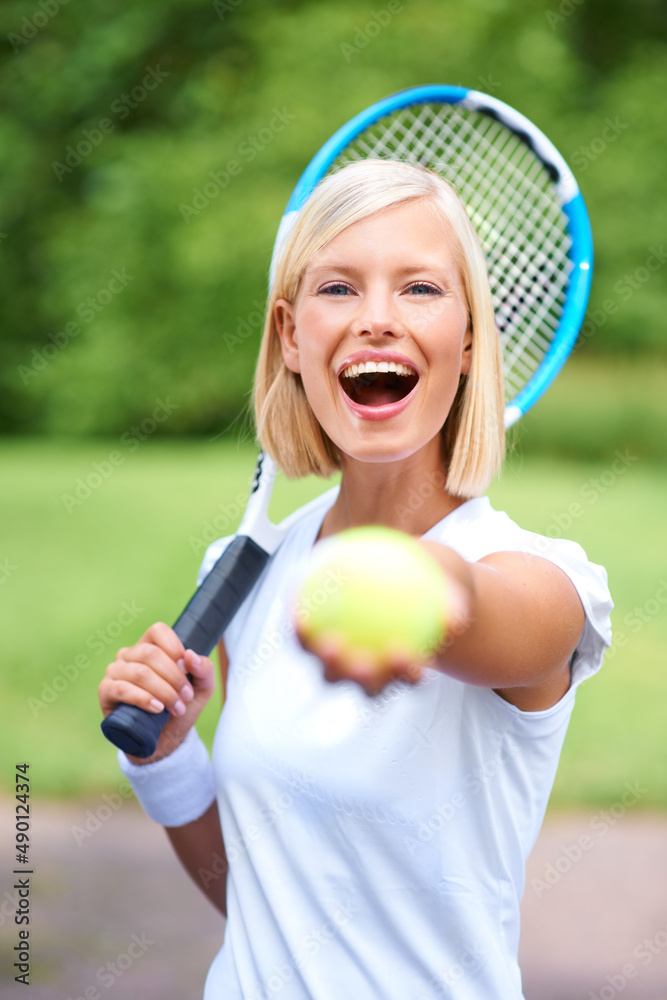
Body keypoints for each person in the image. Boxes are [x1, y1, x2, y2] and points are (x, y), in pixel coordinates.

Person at [98, 159, 613, 999]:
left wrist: (417, 595)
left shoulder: (545, 582)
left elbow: (478, 610)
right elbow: (262, 896)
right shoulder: (244, 583)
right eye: (337, 288)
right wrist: (163, 759)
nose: (376, 319)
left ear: (468, 337)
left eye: (418, 289)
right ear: (291, 336)